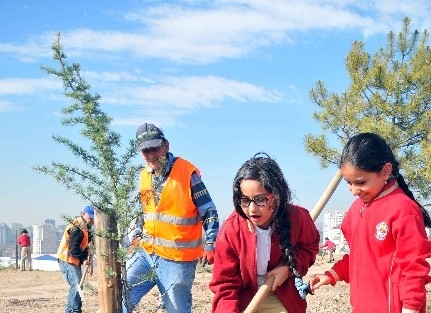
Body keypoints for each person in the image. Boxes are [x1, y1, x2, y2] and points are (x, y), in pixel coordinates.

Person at [310, 132, 431, 313]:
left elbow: (413, 269)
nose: (353, 190)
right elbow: (359, 257)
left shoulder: (403, 210)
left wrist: (411, 307)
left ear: (386, 171)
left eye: (360, 182)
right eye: (348, 183)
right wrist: (332, 275)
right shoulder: (356, 209)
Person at [123, 123, 220, 313]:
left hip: (177, 260)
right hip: (146, 253)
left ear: (166, 145)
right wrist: (135, 236)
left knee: (177, 309)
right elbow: (144, 212)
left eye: (155, 148)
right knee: (122, 297)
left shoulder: (187, 174)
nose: (151, 155)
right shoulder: (144, 175)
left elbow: (209, 210)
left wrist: (210, 244)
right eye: (145, 151)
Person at [209, 153, 320, 313]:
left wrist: (288, 269)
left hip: (283, 296)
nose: (252, 209)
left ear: (277, 197)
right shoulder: (231, 230)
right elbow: (225, 286)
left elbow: (309, 248)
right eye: (245, 200)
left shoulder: (298, 218)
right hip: (244, 299)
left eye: (261, 199)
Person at [57, 205, 94, 313]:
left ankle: (76, 310)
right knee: (77, 284)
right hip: (66, 260)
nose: (92, 219)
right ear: (83, 214)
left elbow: (87, 247)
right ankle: (72, 311)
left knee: (78, 286)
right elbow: (74, 250)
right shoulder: (76, 228)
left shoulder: (87, 228)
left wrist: (88, 261)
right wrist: (83, 260)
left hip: (74, 260)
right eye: (90, 217)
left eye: (93, 217)